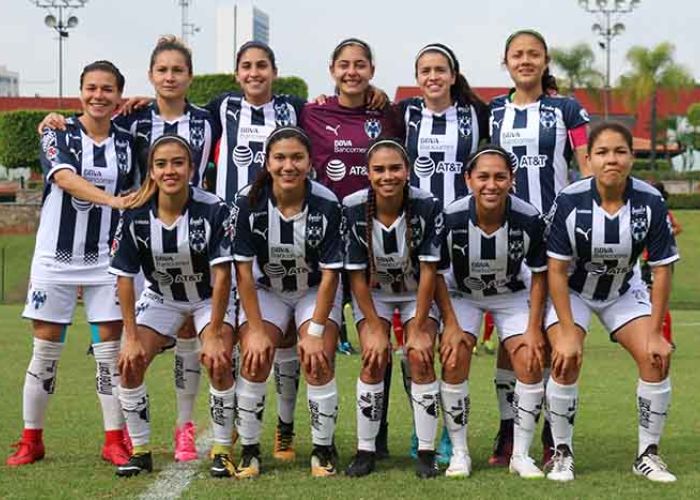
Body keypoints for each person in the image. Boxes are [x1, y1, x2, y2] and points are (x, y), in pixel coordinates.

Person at [36, 36, 222, 462]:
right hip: (144, 239)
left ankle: (184, 428)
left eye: (178, 70)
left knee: (191, 335)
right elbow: (93, 124)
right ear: (151, 76)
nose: (170, 77)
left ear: (190, 77)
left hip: (194, 234)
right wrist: (56, 119)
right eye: (163, 70)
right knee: (129, 347)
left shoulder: (210, 118)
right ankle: (124, 437)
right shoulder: (135, 120)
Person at [6, 61, 137, 467]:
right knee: (45, 350)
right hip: (56, 256)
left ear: (119, 96)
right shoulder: (56, 131)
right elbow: (63, 178)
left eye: (108, 89)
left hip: (106, 258)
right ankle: (32, 440)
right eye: (91, 88)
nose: (99, 95)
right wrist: (113, 200)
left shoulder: (130, 142)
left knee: (108, 351)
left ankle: (114, 439)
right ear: (80, 91)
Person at [544, 122, 678, 482]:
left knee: (657, 357)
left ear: (632, 158)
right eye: (602, 152)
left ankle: (647, 454)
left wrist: (655, 332)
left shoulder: (650, 201)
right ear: (588, 159)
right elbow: (555, 271)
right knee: (566, 355)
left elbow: (662, 270)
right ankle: (561, 453)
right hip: (573, 291)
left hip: (623, 290)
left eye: (620, 151)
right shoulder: (569, 200)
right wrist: (569, 331)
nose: (611, 160)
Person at [487, 29, 590, 466]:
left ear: (546, 60)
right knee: (513, 341)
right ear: (506, 62)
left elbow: (586, 169)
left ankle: (551, 434)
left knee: (548, 339)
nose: (525, 61)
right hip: (508, 239)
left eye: (533, 54)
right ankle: (509, 431)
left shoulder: (566, 109)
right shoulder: (492, 112)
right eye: (517, 54)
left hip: (557, 239)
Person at [109, 134, 237, 477]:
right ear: (151, 171)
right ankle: (141, 450)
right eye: (161, 164)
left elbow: (223, 276)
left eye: (178, 163)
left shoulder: (213, 208)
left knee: (217, 358)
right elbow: (124, 278)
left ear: (191, 168)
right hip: (161, 296)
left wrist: (212, 333)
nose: (170, 171)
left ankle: (222, 448)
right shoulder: (135, 212)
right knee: (129, 363)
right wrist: (131, 336)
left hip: (208, 297)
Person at [300, 38, 401, 454]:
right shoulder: (311, 111)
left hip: (371, 243)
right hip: (321, 242)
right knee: (316, 342)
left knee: (376, 340)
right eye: (344, 65)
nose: (352, 72)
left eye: (360, 65)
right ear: (332, 69)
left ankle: (374, 435)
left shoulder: (388, 115)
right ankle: (316, 438)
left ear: (372, 70)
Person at [231, 126, 343, 478]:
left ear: (310, 162)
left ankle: (323, 449)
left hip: (314, 289)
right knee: (254, 354)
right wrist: (256, 330)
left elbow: (329, 275)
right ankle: (249, 450)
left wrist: (315, 330)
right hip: (267, 289)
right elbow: (244, 273)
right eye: (280, 157)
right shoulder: (248, 201)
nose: (288, 165)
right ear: (267, 162)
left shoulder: (326, 203)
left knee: (317, 357)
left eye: (297, 157)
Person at [398, 42, 490, 462]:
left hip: (462, 237)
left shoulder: (476, 113)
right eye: (425, 70)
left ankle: (451, 435)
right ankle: (425, 430)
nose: (432, 76)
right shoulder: (404, 114)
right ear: (417, 78)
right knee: (418, 341)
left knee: (449, 342)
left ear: (453, 75)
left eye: (440, 69)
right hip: (415, 237)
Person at [438, 144, 548, 478]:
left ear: (511, 180)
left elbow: (540, 274)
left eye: (500, 177)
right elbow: (437, 275)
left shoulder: (528, 217)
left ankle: (521, 454)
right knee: (454, 356)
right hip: (463, 294)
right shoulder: (451, 217)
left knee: (529, 359)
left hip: (510, 294)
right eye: (483, 176)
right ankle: (459, 452)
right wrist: (452, 325)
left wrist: (532, 328)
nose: (491, 184)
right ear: (468, 179)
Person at [342, 139, 444, 478]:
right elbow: (355, 275)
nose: (388, 176)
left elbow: (430, 271)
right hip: (375, 295)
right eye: (379, 169)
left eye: (395, 168)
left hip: (417, 291)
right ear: (368, 174)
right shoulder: (353, 207)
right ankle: (365, 450)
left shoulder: (426, 204)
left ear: (408, 171)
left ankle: (426, 452)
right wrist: (372, 325)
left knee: (419, 353)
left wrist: (417, 324)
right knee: (373, 356)